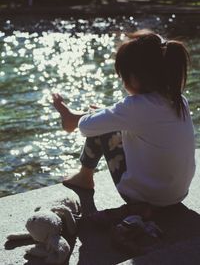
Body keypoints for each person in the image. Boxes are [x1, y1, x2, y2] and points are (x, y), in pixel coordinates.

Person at [52, 29, 195, 220]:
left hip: (145, 198)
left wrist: (97, 115)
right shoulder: (179, 100)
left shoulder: (135, 106)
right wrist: (107, 114)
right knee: (109, 118)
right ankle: (75, 118)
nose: (122, 81)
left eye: (122, 76)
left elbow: (87, 128)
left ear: (134, 77)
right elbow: (142, 119)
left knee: (101, 125)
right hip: (177, 194)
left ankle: (84, 177)